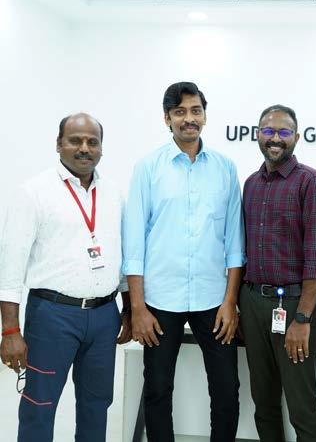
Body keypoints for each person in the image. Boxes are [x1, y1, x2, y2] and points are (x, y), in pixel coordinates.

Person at [123, 81, 245, 442]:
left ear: (205, 116)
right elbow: (134, 244)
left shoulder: (225, 168)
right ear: (167, 119)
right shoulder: (148, 168)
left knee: (227, 388)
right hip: (161, 299)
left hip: (213, 300)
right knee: (158, 388)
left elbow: (234, 243)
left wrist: (230, 303)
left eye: (195, 111)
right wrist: (138, 308)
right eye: (180, 112)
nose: (188, 118)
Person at [0, 113, 131, 442]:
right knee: (39, 407)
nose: (84, 148)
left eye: (92, 142)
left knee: (96, 405)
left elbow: (121, 257)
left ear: (101, 148)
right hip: (52, 317)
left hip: (104, 316)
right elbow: (10, 268)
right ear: (59, 144)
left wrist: (128, 309)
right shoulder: (33, 192)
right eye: (75, 140)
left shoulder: (113, 194)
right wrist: (10, 331)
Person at [239, 104, 316, 442]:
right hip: (252, 301)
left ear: (296, 136)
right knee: (262, 401)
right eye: (268, 131)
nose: (275, 138)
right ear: (258, 135)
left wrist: (303, 319)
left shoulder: (311, 183)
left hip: (294, 306)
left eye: (283, 132)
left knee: (301, 405)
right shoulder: (251, 184)